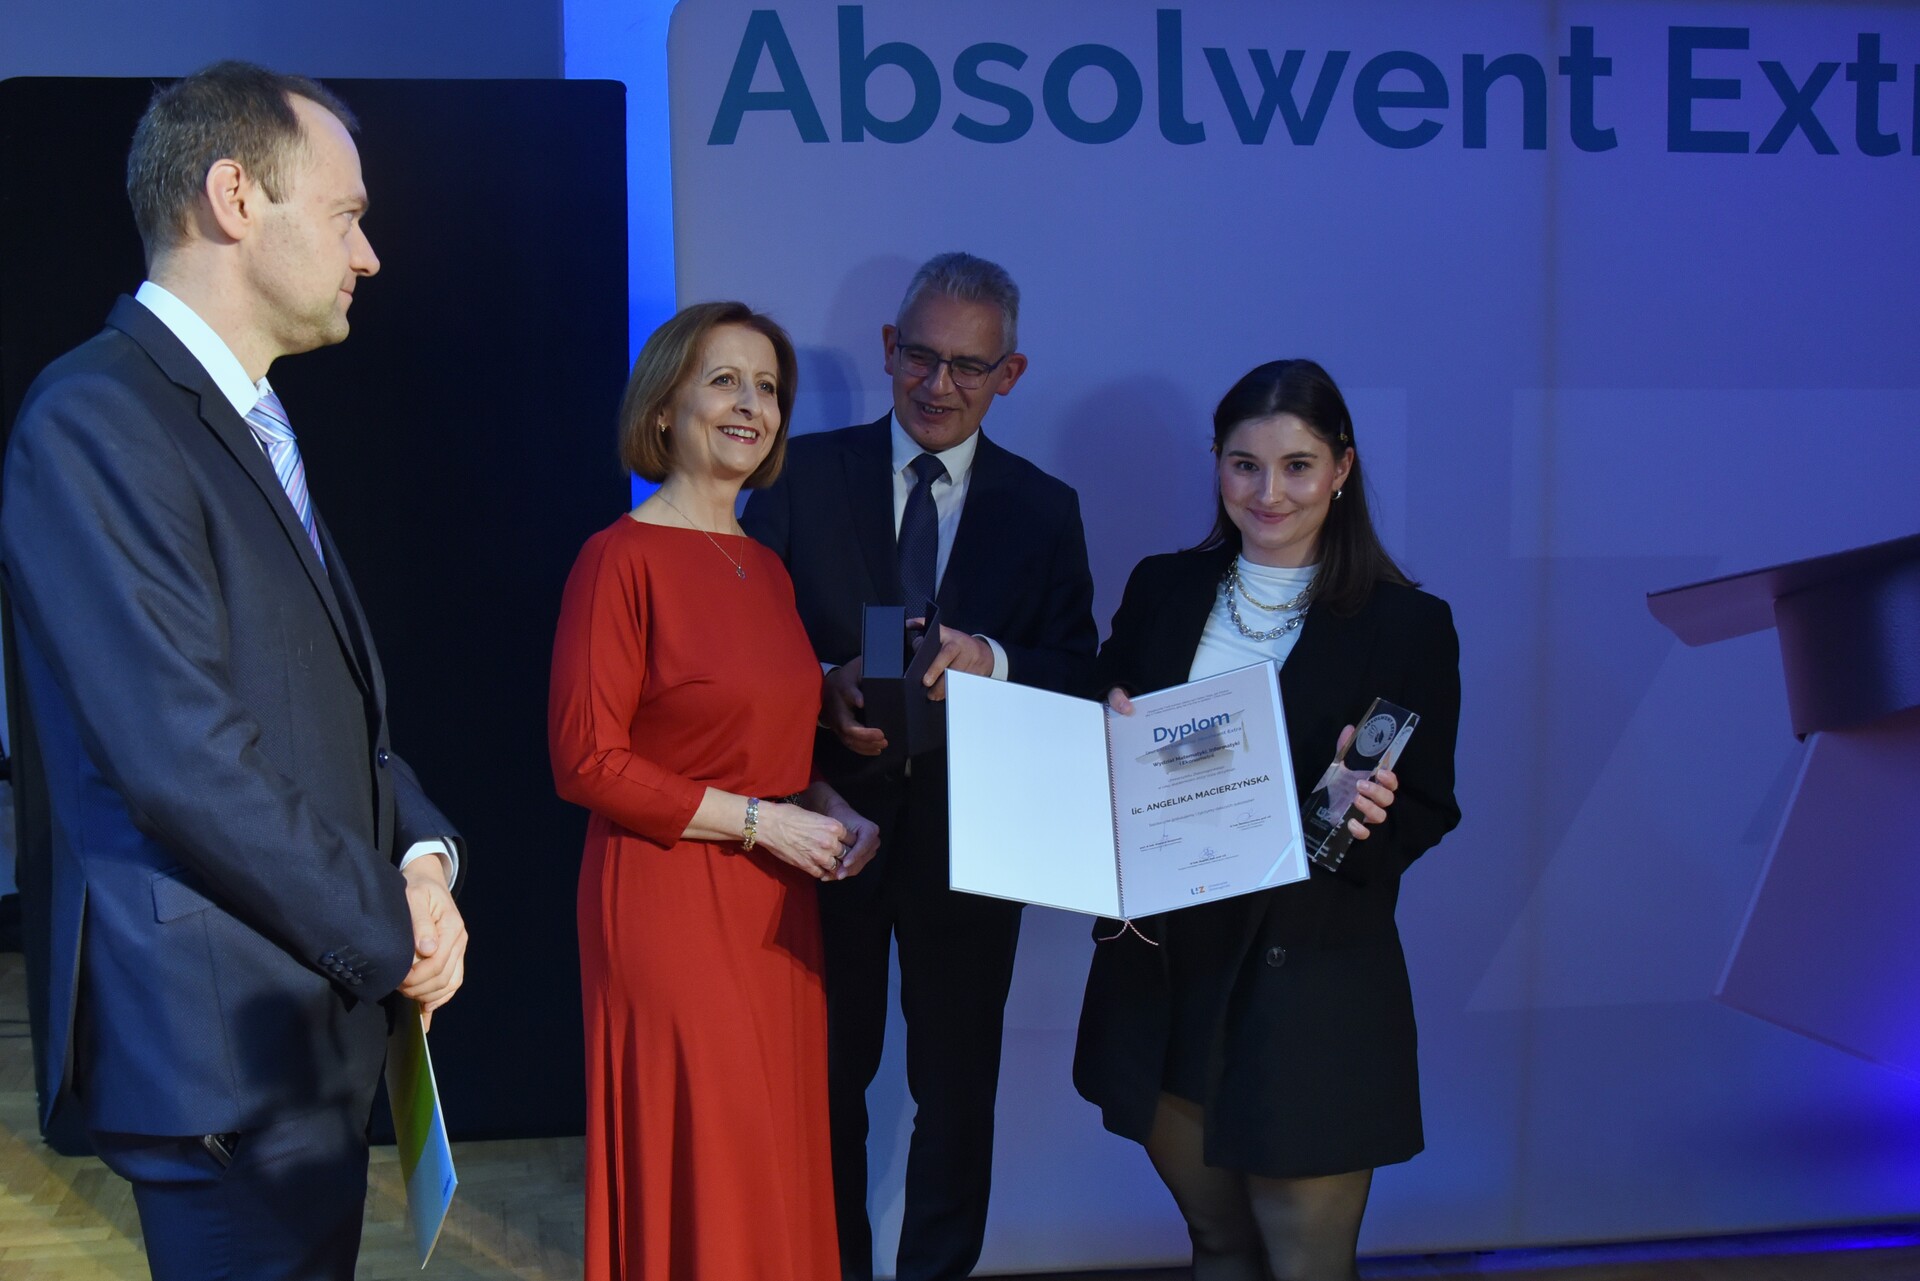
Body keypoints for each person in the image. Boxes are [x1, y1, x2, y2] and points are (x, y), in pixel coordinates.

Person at [0, 62, 469, 1279]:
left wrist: (421, 856)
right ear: (234, 197)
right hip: (219, 1052)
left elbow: (330, 709)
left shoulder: (244, 415)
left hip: (294, 1037)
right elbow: (185, 761)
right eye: (347, 215)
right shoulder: (97, 417)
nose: (368, 255)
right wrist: (390, 930)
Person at [741, 252, 1098, 1281]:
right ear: (890, 349)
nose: (940, 385)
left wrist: (994, 660)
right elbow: (742, 643)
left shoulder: (1044, 509)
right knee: (822, 1082)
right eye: (922, 358)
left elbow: (1080, 672)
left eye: (969, 367)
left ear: (1009, 374)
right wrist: (821, 686)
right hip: (820, 829)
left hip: (976, 842)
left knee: (957, 1094)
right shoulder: (799, 475)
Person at [1073, 359, 1461, 1281]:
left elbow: (1427, 806)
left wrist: (1364, 814)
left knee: (1305, 1266)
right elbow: (1101, 727)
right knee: (1218, 1245)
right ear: (1217, 462)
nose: (1268, 492)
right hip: (1168, 970)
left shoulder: (1407, 624)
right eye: (1244, 464)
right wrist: (1103, 731)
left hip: (1308, 985)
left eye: (1297, 465)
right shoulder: (1165, 587)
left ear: (1342, 468)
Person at [548, 301, 882, 1280]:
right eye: (725, 380)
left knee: (773, 1154)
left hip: (777, 908)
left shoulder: (766, 568)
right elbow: (586, 760)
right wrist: (762, 823)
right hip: (668, 903)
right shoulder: (617, 558)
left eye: (768, 388)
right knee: (710, 1161)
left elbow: (761, 742)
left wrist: (827, 806)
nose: (752, 405)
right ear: (663, 407)